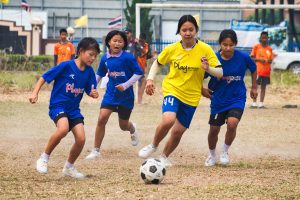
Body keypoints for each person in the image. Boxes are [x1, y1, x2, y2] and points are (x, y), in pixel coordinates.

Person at [138, 15, 223, 167]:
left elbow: (220, 72)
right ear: (179, 32)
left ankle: (164, 156)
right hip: (173, 89)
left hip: (191, 96)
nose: (188, 33)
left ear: (196, 30)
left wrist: (207, 68)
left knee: (178, 131)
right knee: (169, 119)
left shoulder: (205, 49)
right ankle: (153, 145)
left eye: (191, 29)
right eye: (184, 30)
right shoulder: (172, 49)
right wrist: (150, 80)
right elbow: (157, 63)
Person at [29, 37, 100, 179]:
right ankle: (43, 158)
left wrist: (93, 93)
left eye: (95, 56)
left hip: (73, 110)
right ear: (81, 51)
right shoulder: (66, 66)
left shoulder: (89, 72)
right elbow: (44, 77)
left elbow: (90, 90)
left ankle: (69, 167)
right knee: (63, 129)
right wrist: (34, 93)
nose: (92, 58)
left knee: (81, 139)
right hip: (58, 105)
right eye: (90, 54)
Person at [85, 30, 144, 160]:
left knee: (123, 126)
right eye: (114, 41)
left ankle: (132, 128)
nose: (117, 43)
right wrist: (92, 87)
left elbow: (139, 72)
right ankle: (96, 151)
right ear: (109, 42)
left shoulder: (128, 57)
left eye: (120, 41)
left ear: (124, 44)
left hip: (126, 97)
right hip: (110, 95)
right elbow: (100, 73)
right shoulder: (105, 58)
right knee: (102, 118)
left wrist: (126, 85)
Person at [203, 29, 257, 167]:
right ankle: (212, 155)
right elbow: (200, 76)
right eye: (224, 44)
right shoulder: (214, 59)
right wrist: (201, 89)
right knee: (214, 129)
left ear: (235, 44)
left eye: (231, 45)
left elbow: (253, 68)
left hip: (237, 98)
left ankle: (225, 152)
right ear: (220, 44)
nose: (228, 48)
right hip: (218, 99)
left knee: (232, 124)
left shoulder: (243, 57)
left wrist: (254, 87)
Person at [250, 31, 273, 108]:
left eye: (265, 38)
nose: (264, 39)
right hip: (258, 71)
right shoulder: (256, 47)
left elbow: (271, 60)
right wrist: (260, 59)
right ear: (260, 38)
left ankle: (261, 103)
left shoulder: (269, 49)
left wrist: (268, 60)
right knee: (255, 86)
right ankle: (254, 103)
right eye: (263, 38)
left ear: (267, 38)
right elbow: (252, 57)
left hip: (266, 71)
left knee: (263, 87)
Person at [136, 33, 149, 104]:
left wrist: (140, 46)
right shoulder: (136, 45)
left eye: (142, 41)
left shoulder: (145, 45)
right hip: (137, 66)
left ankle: (139, 100)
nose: (141, 42)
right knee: (144, 81)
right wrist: (138, 44)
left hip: (142, 66)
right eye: (140, 40)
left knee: (140, 83)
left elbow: (145, 52)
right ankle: (139, 99)